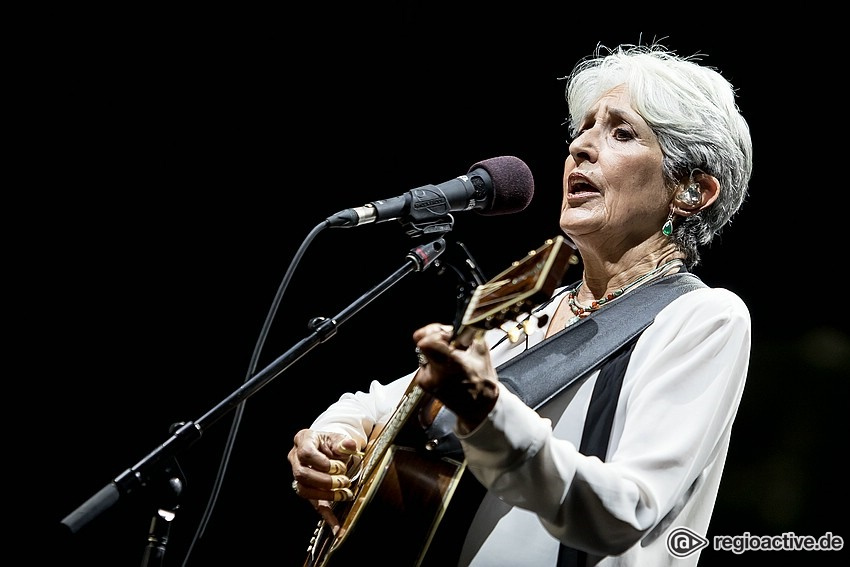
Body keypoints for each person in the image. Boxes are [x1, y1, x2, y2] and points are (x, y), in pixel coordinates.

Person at [288, 41, 753, 566]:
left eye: (621, 133)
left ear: (692, 191)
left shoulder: (701, 318)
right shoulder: (531, 316)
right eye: (584, 129)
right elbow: (371, 405)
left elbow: (626, 511)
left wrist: (488, 411)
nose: (581, 147)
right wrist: (332, 442)